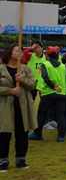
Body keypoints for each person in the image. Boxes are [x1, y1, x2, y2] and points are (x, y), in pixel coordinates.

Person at [0, 44, 37, 172]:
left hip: (22, 106)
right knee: (4, 134)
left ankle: (21, 159)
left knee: (22, 133)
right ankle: (3, 161)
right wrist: (10, 91)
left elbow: (32, 85)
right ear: (9, 53)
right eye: (17, 51)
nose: (20, 53)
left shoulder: (25, 69)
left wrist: (22, 80)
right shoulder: (1, 69)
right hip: (5, 107)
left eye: (21, 51)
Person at [33, 47, 66, 142]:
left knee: (41, 114)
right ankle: (61, 136)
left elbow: (45, 76)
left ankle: (37, 134)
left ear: (47, 55)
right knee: (60, 115)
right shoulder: (62, 66)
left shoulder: (45, 64)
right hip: (61, 93)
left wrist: (53, 86)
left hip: (48, 92)